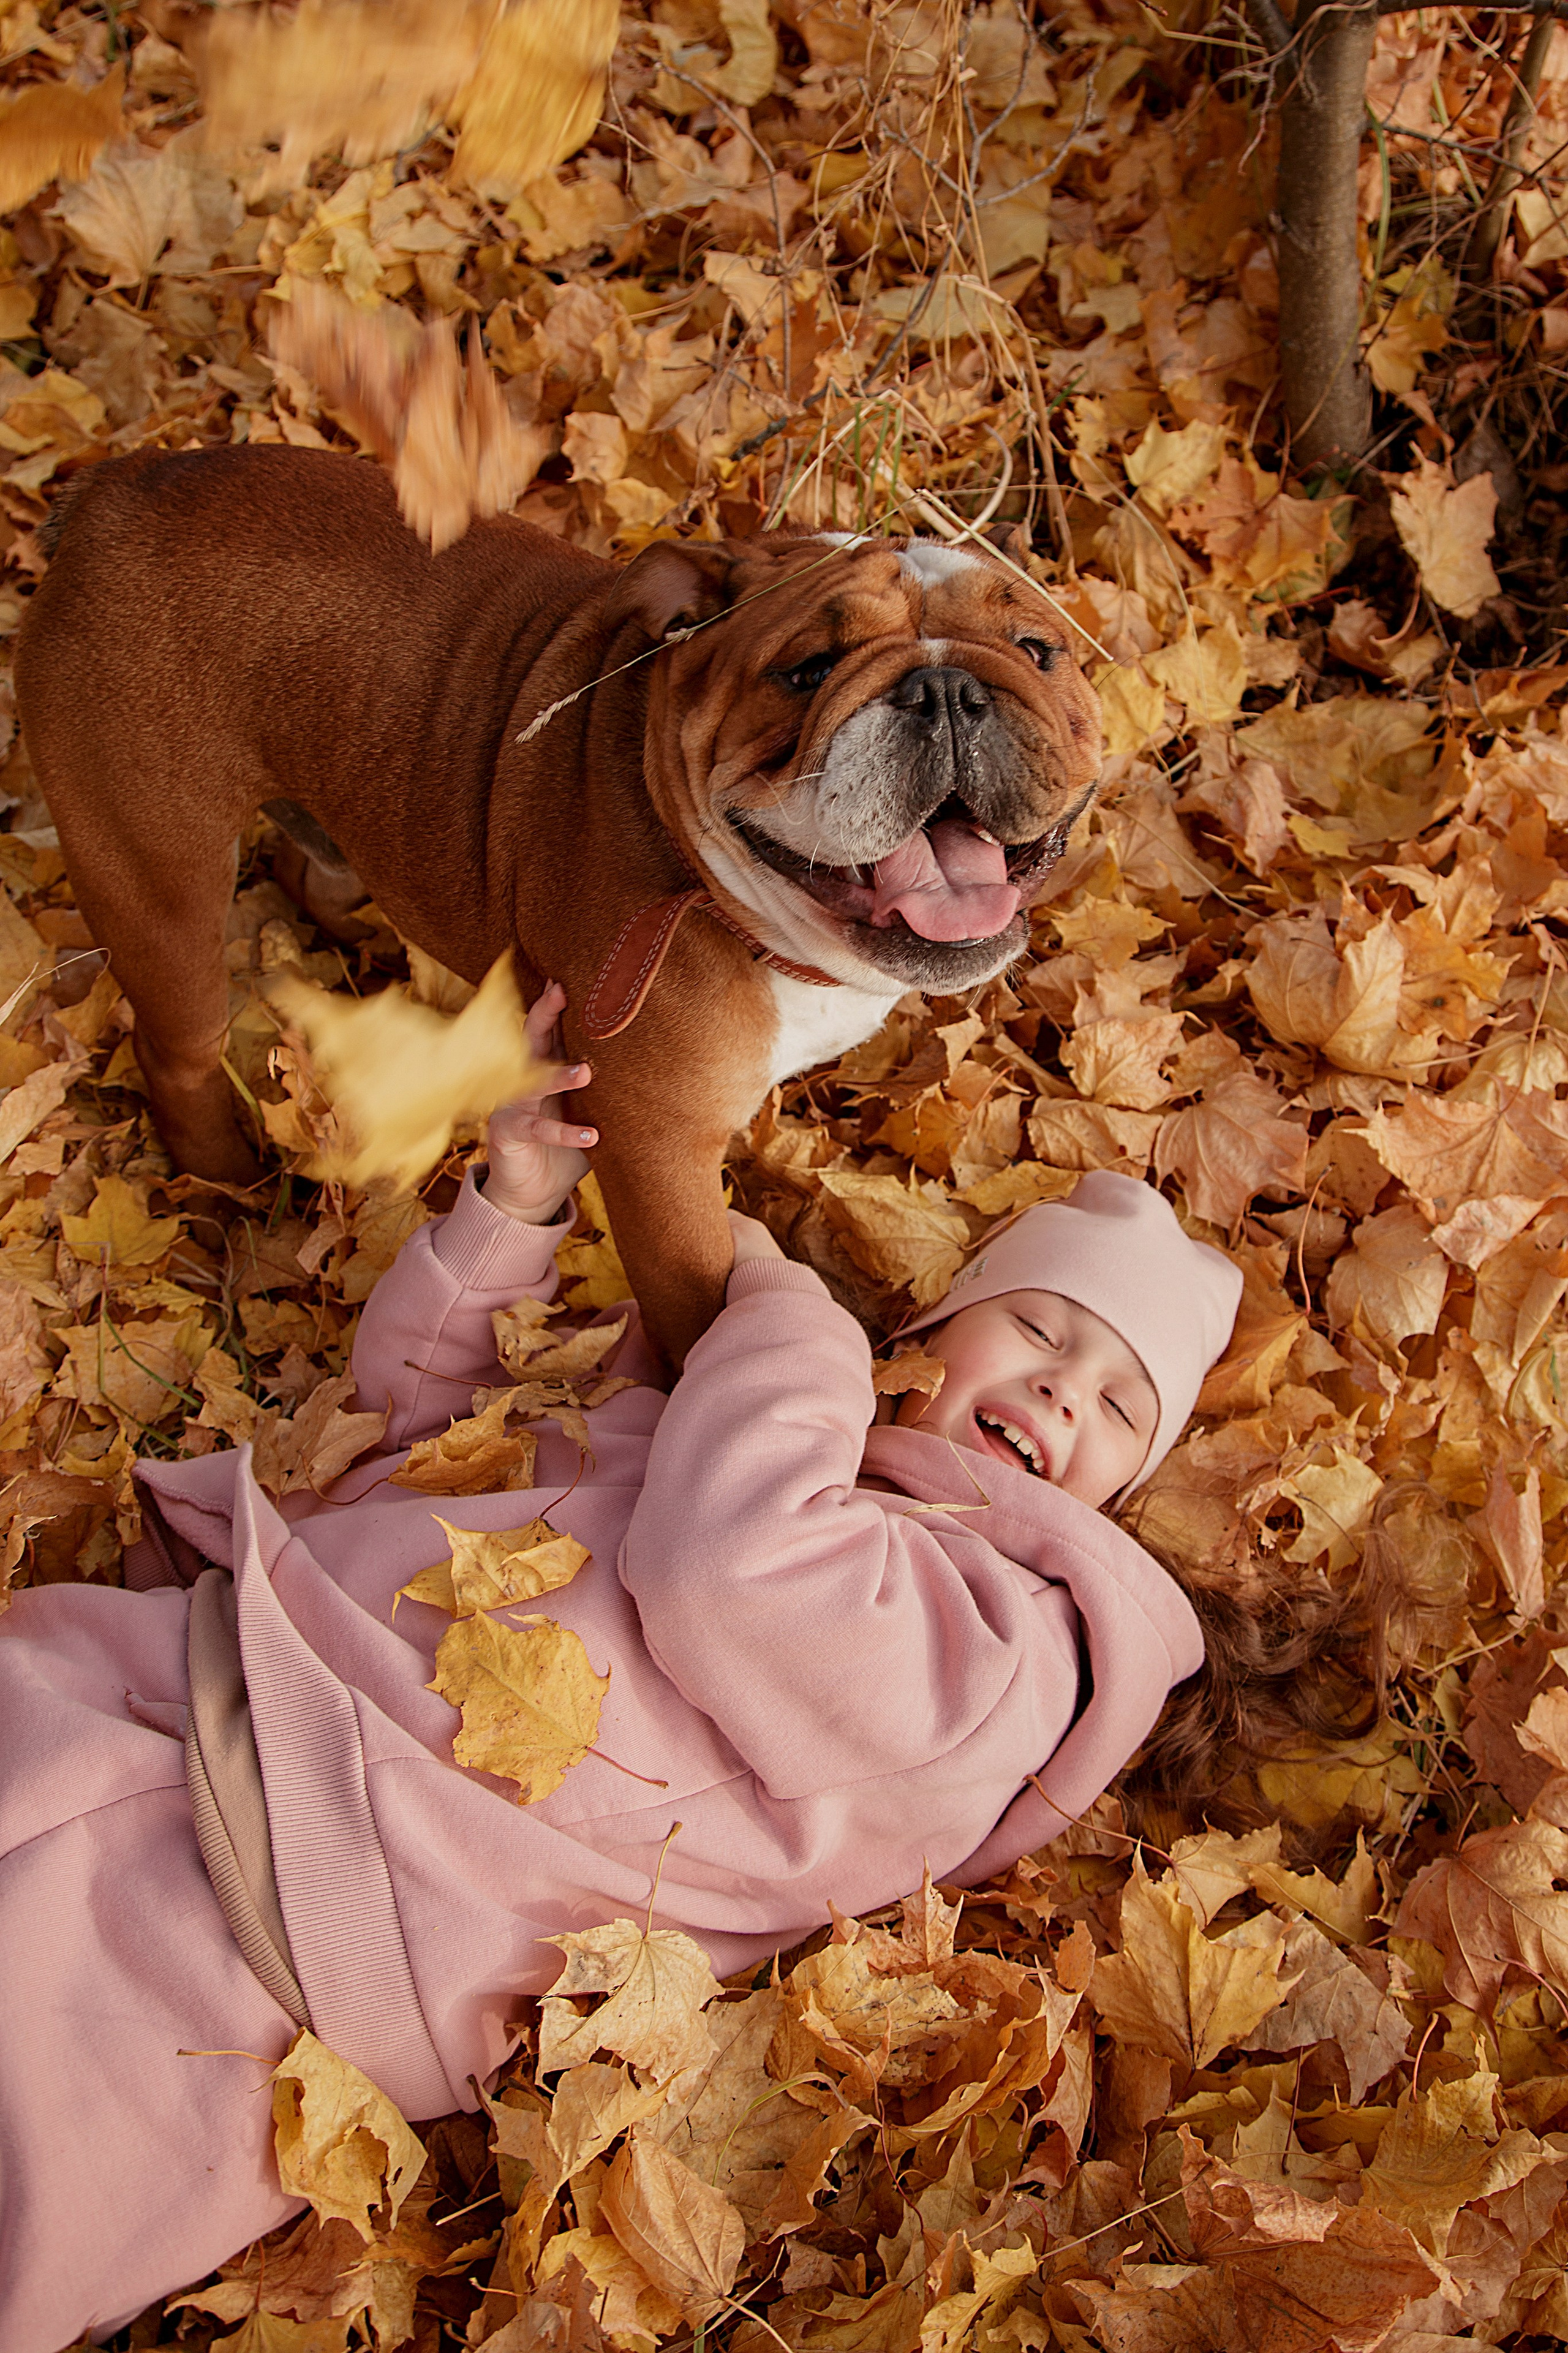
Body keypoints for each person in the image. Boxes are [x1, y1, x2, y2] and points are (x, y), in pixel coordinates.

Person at [0, 985, 1261, 2346]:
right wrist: (516, 1213)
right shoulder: (751, 1427)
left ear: (1115, 1503)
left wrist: (798, 1319)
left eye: (1119, 1401)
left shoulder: (1004, 1653)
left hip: (285, 1917)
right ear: (936, 1333)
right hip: (163, 1677)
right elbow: (420, 1444)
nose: (1067, 1386)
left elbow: (727, 1575)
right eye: (1038, 1327)